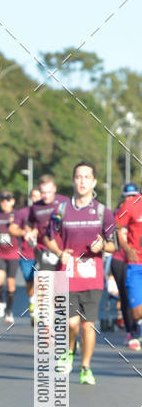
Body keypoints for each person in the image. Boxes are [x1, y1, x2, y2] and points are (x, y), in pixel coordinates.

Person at [45, 162, 115, 385]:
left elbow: (114, 245)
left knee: (88, 325)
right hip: (66, 274)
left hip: (92, 276)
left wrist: (102, 246)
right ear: (73, 180)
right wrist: (59, 251)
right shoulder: (62, 210)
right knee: (71, 323)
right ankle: (69, 350)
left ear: (94, 182)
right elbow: (49, 236)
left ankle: (85, 367)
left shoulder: (103, 212)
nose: (82, 181)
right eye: (78, 176)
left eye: (87, 177)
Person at [115, 183, 142, 352]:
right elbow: (117, 227)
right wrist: (126, 247)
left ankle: (136, 333)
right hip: (136, 262)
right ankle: (136, 330)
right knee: (138, 309)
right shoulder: (131, 205)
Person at [10, 187, 42, 323]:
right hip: (26, 254)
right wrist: (24, 233)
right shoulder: (23, 213)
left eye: (38, 196)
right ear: (30, 198)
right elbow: (12, 228)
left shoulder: (47, 212)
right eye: (33, 196)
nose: (36, 199)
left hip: (42, 253)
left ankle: (39, 309)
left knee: (40, 281)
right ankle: (32, 302)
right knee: (29, 282)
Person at [0, 190, 20, 323]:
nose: (5, 202)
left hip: (13, 253)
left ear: (13, 201)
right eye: (2, 200)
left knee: (11, 283)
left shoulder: (17, 215)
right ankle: (1, 300)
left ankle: (9, 311)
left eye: (8, 200)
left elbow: (23, 231)